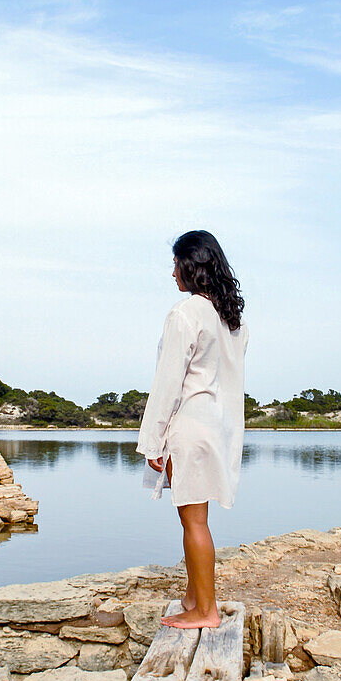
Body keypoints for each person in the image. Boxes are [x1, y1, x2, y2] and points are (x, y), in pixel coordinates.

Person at [136, 230, 249, 630]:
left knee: (194, 522)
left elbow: (168, 382)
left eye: (175, 264)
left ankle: (206, 611)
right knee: (195, 519)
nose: (172, 274)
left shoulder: (185, 313)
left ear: (191, 265)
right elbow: (232, 386)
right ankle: (193, 596)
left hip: (190, 427)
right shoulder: (232, 321)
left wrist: (152, 439)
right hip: (218, 430)